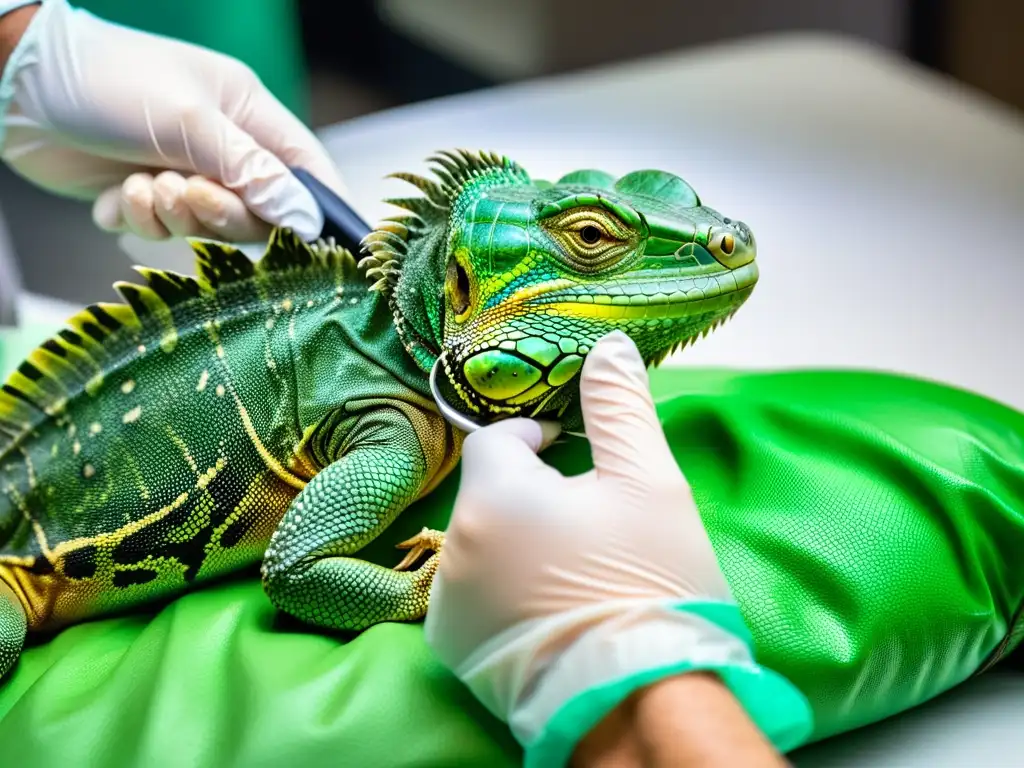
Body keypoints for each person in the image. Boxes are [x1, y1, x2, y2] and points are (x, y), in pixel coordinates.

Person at [0, 2, 813, 766]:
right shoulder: (394, 426)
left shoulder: (408, 379)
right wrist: (429, 585)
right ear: (461, 288)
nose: (718, 245)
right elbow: (298, 569)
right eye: (594, 239)